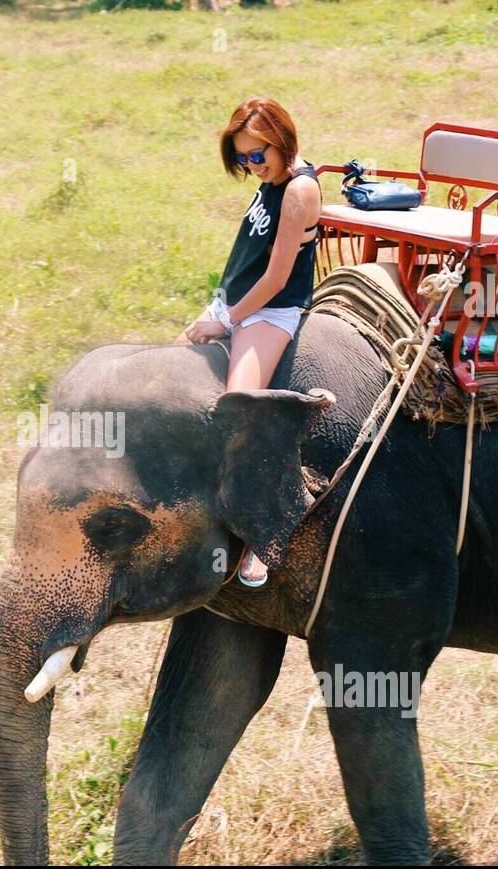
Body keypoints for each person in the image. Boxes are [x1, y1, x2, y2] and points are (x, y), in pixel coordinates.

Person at [176, 96, 322, 587]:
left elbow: (279, 276)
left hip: (270, 310)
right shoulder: (270, 180)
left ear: (282, 141)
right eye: (242, 157)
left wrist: (229, 321)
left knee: (240, 409)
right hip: (234, 302)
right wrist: (219, 310)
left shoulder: (299, 190)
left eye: (258, 154)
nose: (251, 165)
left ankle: (263, 534)